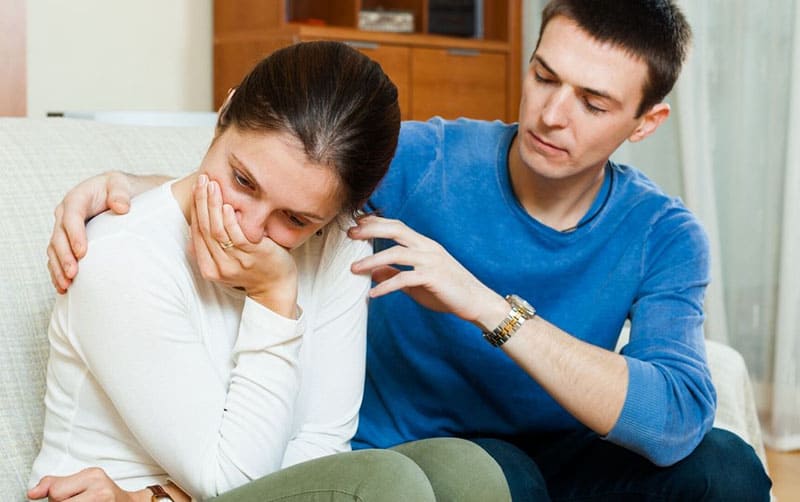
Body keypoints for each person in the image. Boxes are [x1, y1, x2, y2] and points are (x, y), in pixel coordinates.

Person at [46, 1, 773, 500]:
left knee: (727, 469)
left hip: (564, 452)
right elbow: (294, 163)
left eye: (593, 101)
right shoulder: (422, 158)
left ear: (646, 123)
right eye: (545, 76)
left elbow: (676, 417)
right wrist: (139, 190)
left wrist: (487, 307)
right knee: (489, 472)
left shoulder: (664, 233)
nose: (551, 115)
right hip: (431, 464)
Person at [28, 41, 510, 502]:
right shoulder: (121, 257)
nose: (251, 229)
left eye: (296, 219)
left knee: (467, 471)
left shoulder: (338, 245)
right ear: (224, 113)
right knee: (386, 484)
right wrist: (274, 297)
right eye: (242, 180)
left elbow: (323, 446)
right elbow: (229, 482)